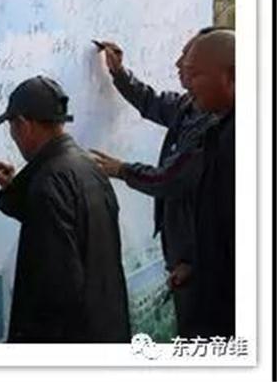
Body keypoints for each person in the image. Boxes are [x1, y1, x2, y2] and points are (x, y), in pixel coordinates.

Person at [0, 76, 131, 343]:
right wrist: (15, 188)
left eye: (12, 128)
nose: (14, 137)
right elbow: (70, 227)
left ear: (24, 125)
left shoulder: (48, 185)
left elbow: (53, 290)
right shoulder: (90, 168)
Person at [89, 30, 217, 336]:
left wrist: (121, 170)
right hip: (187, 254)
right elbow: (152, 101)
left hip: (200, 258)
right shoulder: (190, 106)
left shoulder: (213, 127)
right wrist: (119, 73)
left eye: (188, 59)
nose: (178, 64)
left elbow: (170, 178)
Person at [183, 29, 235, 338]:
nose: (187, 84)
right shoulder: (220, 130)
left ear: (231, 76)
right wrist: (196, 264)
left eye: (195, 74)